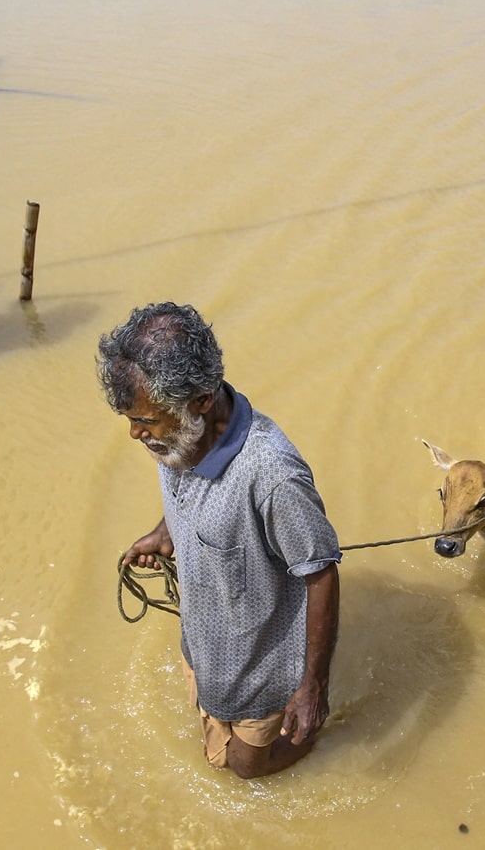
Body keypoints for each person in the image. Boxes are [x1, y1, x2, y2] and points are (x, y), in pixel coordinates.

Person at [99, 302, 341, 778]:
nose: (134, 433)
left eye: (144, 419)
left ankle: (319, 736)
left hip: (263, 667)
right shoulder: (175, 436)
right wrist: (165, 531)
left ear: (203, 400)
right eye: (130, 419)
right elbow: (186, 487)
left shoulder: (273, 477)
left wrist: (314, 686)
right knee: (214, 745)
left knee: (246, 767)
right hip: (205, 643)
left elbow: (322, 575)